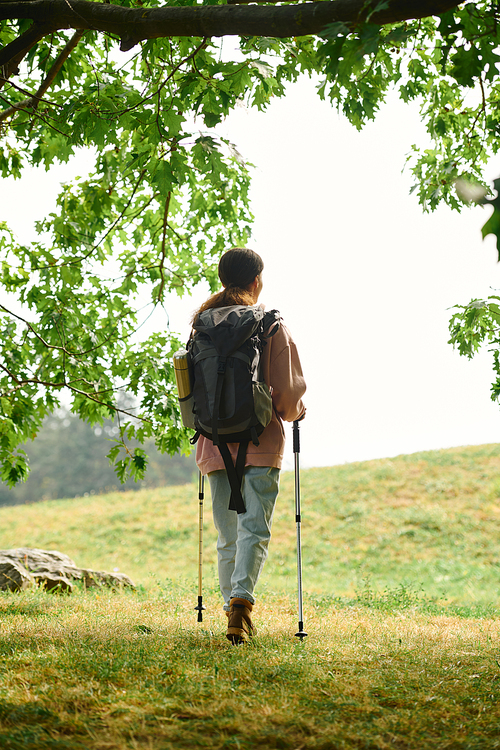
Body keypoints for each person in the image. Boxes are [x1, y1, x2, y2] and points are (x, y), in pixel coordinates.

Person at [193, 247, 306, 644]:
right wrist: (296, 412)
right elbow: (289, 392)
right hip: (260, 439)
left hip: (214, 442)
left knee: (228, 535)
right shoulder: (270, 323)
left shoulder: (201, 324)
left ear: (223, 280)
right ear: (257, 281)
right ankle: (241, 605)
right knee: (254, 528)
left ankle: (230, 610)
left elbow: (190, 389)